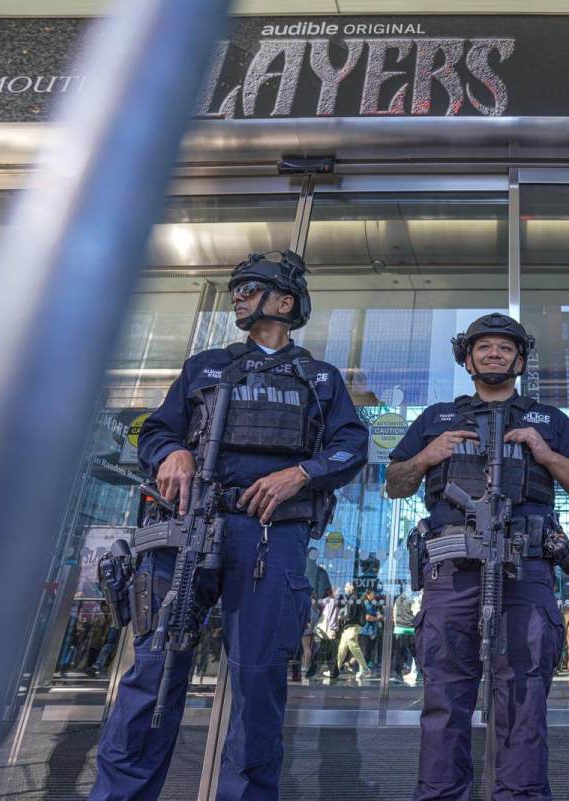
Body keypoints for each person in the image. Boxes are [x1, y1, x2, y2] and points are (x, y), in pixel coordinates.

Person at [89, 250, 368, 801]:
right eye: (236, 288)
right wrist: (169, 452)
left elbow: (351, 447)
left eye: (251, 287)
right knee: (154, 674)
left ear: (285, 303)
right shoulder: (204, 366)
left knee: (259, 682)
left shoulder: (321, 378)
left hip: (270, 537)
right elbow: (153, 432)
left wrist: (301, 474)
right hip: (185, 530)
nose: (238, 295)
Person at [386, 313, 569, 801]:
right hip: (452, 574)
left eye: (505, 348)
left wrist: (545, 453)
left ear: (520, 360)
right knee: (444, 698)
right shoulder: (438, 418)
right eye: (484, 347)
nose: (494, 355)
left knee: (524, 700)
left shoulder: (546, 419)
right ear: (468, 358)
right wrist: (426, 456)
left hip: (525, 572)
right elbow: (394, 484)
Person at [336, 583, 369, 678]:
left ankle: (365, 669)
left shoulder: (353, 598)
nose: (345, 588)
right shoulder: (353, 598)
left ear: (352, 588)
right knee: (342, 648)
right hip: (348, 627)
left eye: (346, 587)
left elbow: (350, 615)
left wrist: (340, 617)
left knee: (353, 645)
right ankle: (336, 669)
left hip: (352, 626)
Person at [313, 587, 341, 681]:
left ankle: (330, 671)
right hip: (328, 629)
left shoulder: (330, 601)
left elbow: (317, 604)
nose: (338, 592)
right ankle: (333, 671)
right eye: (337, 590)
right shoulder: (331, 601)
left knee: (327, 651)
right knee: (328, 651)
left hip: (327, 629)